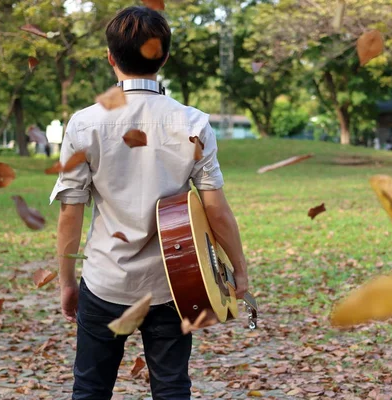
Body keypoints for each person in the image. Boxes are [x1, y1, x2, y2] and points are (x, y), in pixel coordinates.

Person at [49, 6, 249, 400]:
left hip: (105, 281)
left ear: (111, 57)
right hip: (176, 283)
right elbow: (216, 210)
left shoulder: (84, 123)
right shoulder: (192, 122)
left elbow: (70, 215)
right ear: (165, 56)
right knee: (172, 387)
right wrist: (239, 270)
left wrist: (67, 282)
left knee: (90, 388)